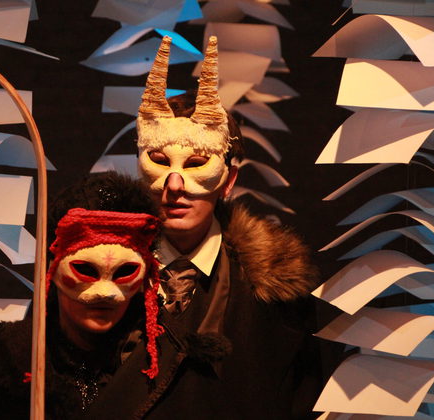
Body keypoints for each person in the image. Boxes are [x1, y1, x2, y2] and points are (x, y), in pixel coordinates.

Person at [129, 35, 322, 419]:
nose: (175, 185)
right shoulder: (101, 269)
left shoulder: (277, 290)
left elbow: (299, 396)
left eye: (197, 164)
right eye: (159, 161)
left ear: (229, 181)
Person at [0, 172, 167, 419]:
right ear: (52, 268)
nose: (105, 293)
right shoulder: (9, 365)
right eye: (86, 270)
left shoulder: (163, 363)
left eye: (124, 272)